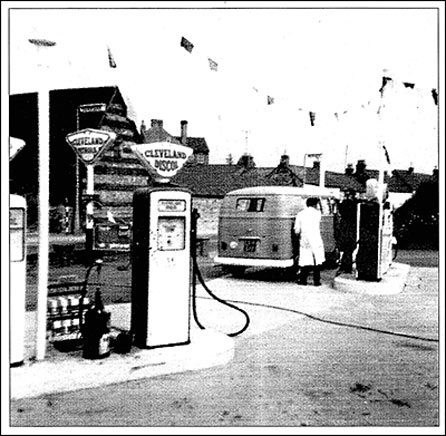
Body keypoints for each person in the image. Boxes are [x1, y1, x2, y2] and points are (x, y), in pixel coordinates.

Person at [294, 197, 325, 286]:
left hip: (305, 238)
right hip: (315, 238)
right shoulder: (317, 214)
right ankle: (316, 281)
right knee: (316, 260)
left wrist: (298, 236)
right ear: (315, 204)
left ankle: (303, 280)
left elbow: (297, 229)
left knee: (305, 260)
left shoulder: (300, 214)